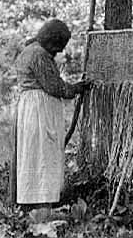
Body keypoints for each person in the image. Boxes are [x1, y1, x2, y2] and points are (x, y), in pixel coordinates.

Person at [11, 19, 90, 212]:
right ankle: (41, 203)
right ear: (50, 39)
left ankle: (31, 201)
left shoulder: (31, 50)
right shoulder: (38, 54)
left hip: (32, 108)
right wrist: (77, 88)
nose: (60, 51)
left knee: (33, 153)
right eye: (59, 45)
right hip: (39, 110)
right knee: (41, 154)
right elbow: (54, 86)